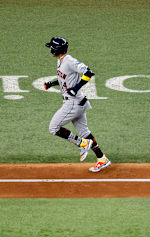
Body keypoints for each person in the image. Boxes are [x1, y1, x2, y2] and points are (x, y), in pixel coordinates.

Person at [43, 36, 111, 173]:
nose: (50, 49)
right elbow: (66, 79)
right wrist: (52, 83)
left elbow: (88, 72)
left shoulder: (69, 61)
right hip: (77, 102)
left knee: (54, 128)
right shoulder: (60, 61)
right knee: (85, 132)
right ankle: (102, 159)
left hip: (73, 103)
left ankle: (82, 143)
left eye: (52, 47)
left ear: (57, 49)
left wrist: (75, 88)